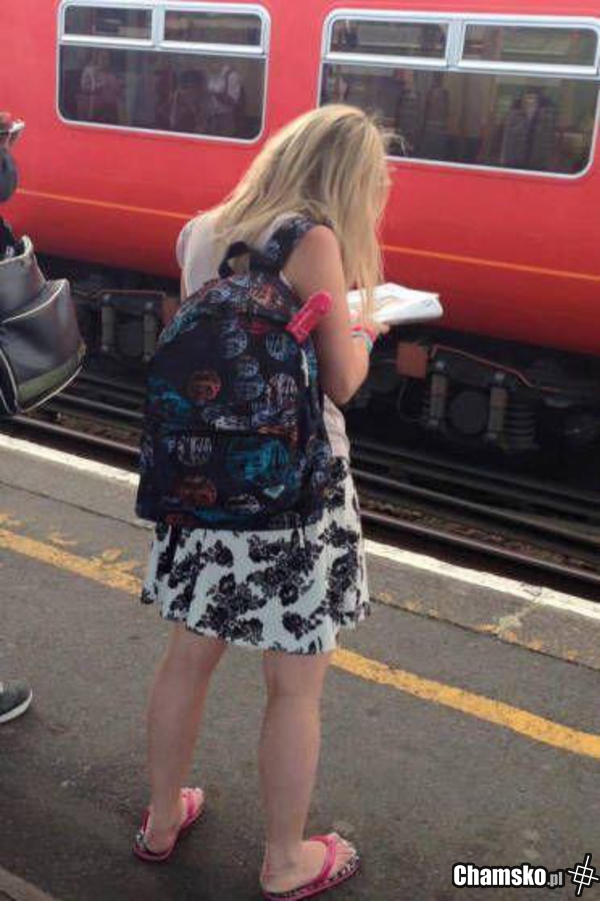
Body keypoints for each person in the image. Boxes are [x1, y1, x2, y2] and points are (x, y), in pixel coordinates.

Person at [135, 105, 390, 899]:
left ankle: (161, 819)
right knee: (294, 686)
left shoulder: (201, 231)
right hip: (293, 497)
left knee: (187, 658)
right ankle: (285, 859)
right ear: (343, 179)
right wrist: (367, 332)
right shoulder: (313, 241)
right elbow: (341, 383)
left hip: (202, 487)